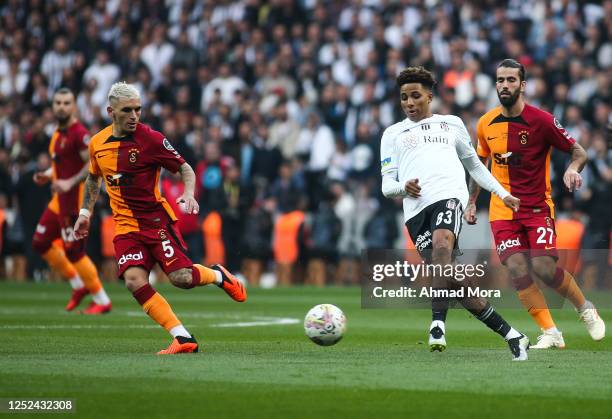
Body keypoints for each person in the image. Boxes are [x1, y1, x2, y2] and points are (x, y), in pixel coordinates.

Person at [73, 82, 246, 355]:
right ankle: (182, 337)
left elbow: (185, 168)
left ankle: (217, 275)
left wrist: (189, 193)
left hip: (156, 222)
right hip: (126, 227)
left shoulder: (151, 139)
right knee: (134, 281)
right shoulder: (98, 144)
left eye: (138, 109)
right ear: (110, 111)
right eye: (127, 110)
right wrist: (85, 213)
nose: (134, 116)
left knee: (181, 278)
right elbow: (93, 178)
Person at [380, 66, 529, 361]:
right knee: (448, 276)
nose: (409, 102)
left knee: (441, 248)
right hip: (416, 210)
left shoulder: (452, 124)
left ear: (429, 97)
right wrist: (402, 188)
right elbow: (387, 185)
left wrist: (503, 193)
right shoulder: (392, 133)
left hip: (449, 196)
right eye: (404, 98)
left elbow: (474, 166)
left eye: (415, 96)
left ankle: (437, 324)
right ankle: (513, 335)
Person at [466, 59, 605, 348]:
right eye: (500, 80)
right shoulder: (485, 123)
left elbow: (579, 152)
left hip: (537, 207)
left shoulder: (541, 120)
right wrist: (470, 202)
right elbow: (480, 166)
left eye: (511, 80)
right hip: (502, 210)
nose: (505, 85)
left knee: (542, 268)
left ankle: (585, 308)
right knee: (517, 267)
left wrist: (571, 169)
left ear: (523, 85)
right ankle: (551, 332)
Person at [32, 88, 112, 314]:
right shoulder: (58, 132)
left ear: (74, 105)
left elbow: (91, 164)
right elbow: (61, 165)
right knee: (40, 242)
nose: (61, 107)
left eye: (66, 103)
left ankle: (102, 299)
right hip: (59, 201)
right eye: (57, 102)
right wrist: (47, 174)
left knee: (74, 252)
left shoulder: (79, 134)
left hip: (75, 202)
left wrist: (68, 182)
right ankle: (78, 285)